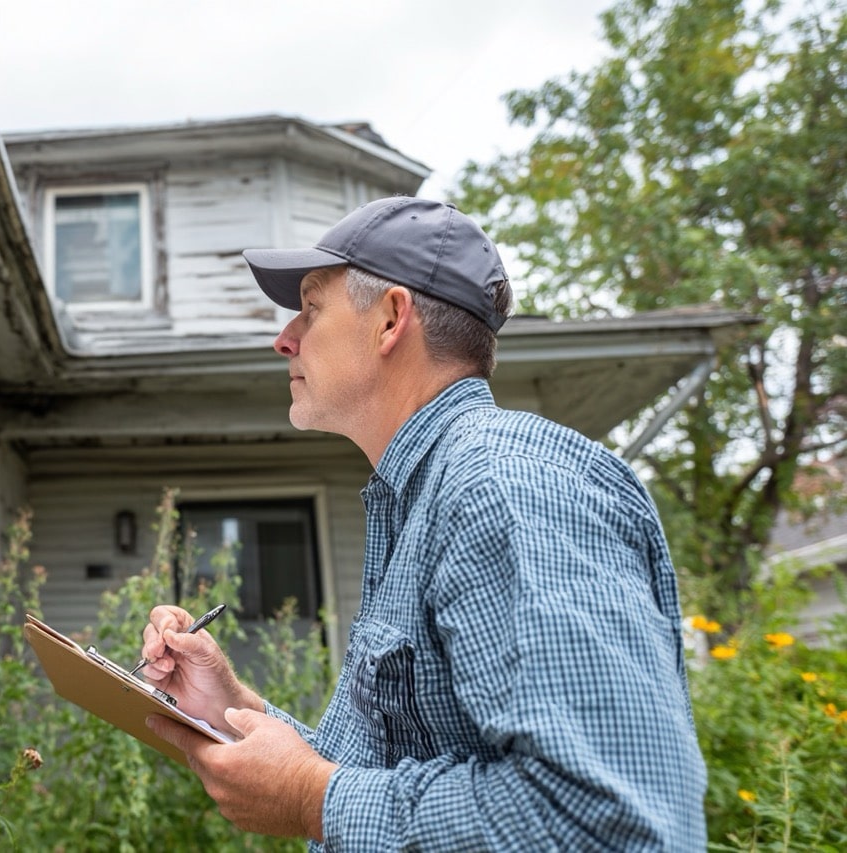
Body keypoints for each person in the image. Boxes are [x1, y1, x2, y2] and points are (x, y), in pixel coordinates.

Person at [139, 196, 707, 850]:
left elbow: (604, 818)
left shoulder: (503, 485)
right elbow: (372, 773)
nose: (284, 336)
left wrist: (309, 798)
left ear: (390, 318)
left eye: (312, 307)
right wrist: (229, 703)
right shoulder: (421, 497)